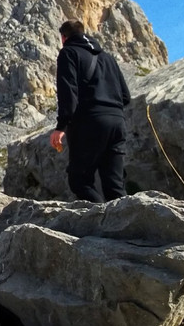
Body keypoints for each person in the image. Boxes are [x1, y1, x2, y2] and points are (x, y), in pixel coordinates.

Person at [50, 19, 131, 202]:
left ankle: (100, 220)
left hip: (89, 122)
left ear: (63, 37)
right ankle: (123, 225)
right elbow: (126, 96)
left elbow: (68, 93)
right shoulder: (108, 57)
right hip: (117, 122)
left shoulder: (68, 53)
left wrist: (61, 126)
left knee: (80, 180)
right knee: (115, 184)